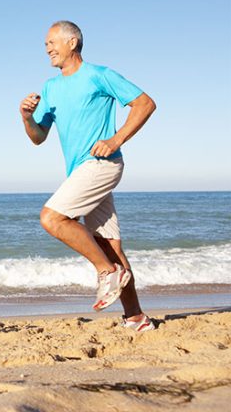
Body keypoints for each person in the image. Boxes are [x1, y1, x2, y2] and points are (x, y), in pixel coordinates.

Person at [20, 20, 157, 332]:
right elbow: (38, 136)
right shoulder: (50, 87)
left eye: (52, 43)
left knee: (52, 218)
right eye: (45, 45)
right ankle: (136, 317)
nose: (47, 49)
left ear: (72, 43)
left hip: (102, 164)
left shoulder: (99, 75)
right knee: (111, 246)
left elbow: (145, 103)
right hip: (81, 171)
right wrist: (26, 117)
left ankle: (105, 271)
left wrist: (116, 139)